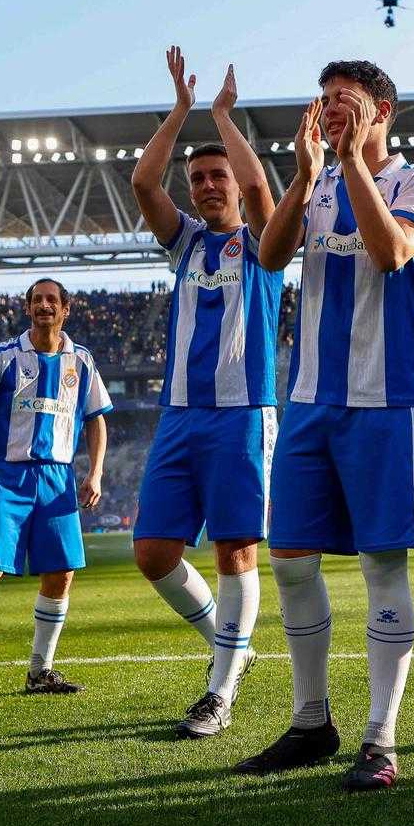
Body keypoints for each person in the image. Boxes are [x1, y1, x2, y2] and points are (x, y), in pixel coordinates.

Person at [239, 59, 414, 792]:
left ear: (382, 110)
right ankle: (310, 721)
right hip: (310, 398)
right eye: (324, 98)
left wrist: (353, 160)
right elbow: (269, 257)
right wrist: (303, 175)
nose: (329, 108)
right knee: (291, 559)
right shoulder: (320, 182)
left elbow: (391, 253)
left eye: (346, 100)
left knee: (381, 566)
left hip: (385, 399)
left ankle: (381, 740)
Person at [129, 48, 281, 739]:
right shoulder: (184, 243)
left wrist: (222, 117)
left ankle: (219, 691)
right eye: (198, 178)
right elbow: (143, 181)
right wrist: (181, 111)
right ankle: (232, 645)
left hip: (242, 415)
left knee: (234, 553)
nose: (208, 185)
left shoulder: (265, 244)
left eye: (217, 175)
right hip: (181, 417)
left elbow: (259, 191)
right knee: (153, 553)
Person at [0, 278, 111, 705]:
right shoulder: (1, 356)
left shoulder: (82, 360)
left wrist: (96, 473)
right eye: (37, 300)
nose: (44, 305)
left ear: (65, 309)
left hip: (57, 479)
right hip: (6, 478)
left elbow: (96, 421)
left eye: (52, 300)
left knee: (61, 574)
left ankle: (40, 671)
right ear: (28, 309)